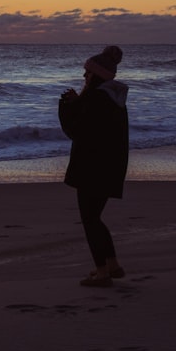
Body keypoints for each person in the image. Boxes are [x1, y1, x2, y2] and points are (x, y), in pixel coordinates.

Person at [58, 45, 129, 287]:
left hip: (93, 168)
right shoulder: (112, 98)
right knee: (95, 218)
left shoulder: (98, 99)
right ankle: (112, 265)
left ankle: (102, 272)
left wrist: (69, 107)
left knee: (90, 219)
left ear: (97, 75)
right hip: (109, 167)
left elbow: (79, 131)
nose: (84, 77)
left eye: (87, 73)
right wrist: (78, 103)